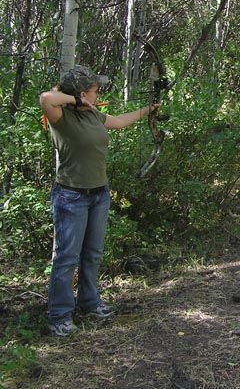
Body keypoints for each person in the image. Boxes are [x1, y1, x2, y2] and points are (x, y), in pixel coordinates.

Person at [39, 65, 158, 337]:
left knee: (92, 254)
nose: (97, 94)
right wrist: (74, 100)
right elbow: (46, 98)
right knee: (66, 259)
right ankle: (59, 315)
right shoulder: (61, 116)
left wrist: (148, 110)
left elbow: (118, 121)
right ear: (82, 93)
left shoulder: (92, 114)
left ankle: (89, 304)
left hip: (98, 194)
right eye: (94, 90)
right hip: (71, 196)